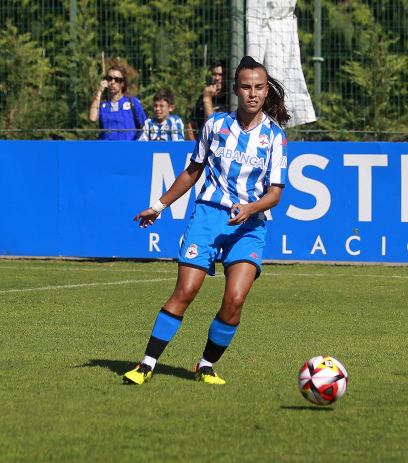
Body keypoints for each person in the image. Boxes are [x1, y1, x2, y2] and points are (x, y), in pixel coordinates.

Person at [123, 56, 290, 386]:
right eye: (246, 87)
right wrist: (158, 206)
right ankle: (146, 364)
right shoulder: (214, 125)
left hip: (249, 225)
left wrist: (250, 207)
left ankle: (205, 365)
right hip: (208, 218)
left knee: (235, 299)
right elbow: (192, 172)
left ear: (266, 90)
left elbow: (275, 194)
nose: (253, 93)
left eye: (259, 87)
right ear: (235, 90)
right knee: (186, 291)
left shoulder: (275, 137)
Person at [88, 64, 147, 140]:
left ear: (123, 83)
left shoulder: (133, 102)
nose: (112, 82)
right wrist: (99, 92)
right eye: (109, 78)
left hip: (128, 149)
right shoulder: (102, 103)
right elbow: (92, 118)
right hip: (107, 149)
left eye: (117, 79)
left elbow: (145, 127)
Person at [186, 60, 229, 141]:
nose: (217, 78)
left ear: (227, 77)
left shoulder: (231, 99)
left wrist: (207, 98)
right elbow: (191, 125)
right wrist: (196, 146)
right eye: (214, 74)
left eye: (221, 75)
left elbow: (215, 125)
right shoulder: (202, 97)